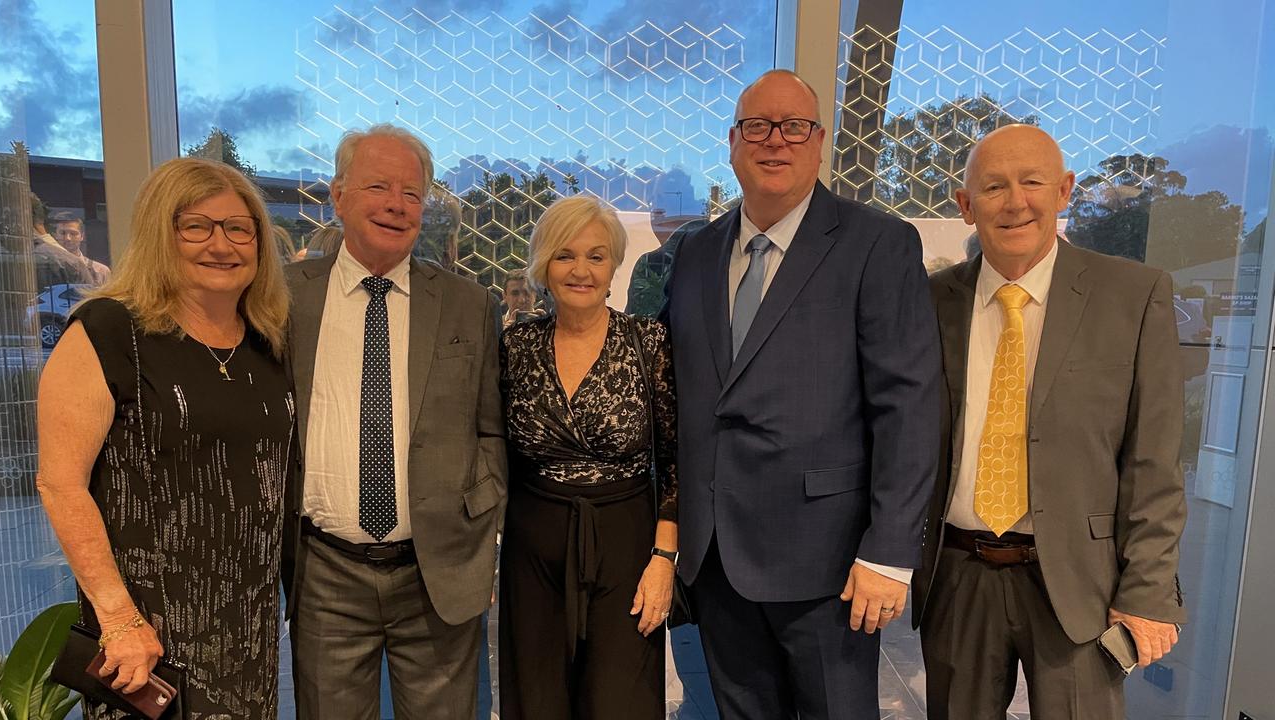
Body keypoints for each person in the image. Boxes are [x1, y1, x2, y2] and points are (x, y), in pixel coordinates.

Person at [661, 69, 941, 718]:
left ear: (820, 143)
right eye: (757, 126)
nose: (774, 141)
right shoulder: (696, 254)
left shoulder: (878, 244)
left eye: (794, 126)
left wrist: (890, 549)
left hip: (830, 563)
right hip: (718, 559)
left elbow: (910, 405)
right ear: (732, 144)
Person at [913, 124, 1186, 719]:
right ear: (965, 206)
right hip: (958, 575)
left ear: (1063, 191)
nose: (1015, 202)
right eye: (993, 187)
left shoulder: (1134, 296)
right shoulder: (927, 302)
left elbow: (1154, 462)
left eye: (1032, 182)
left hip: (1081, 585)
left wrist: (1148, 591)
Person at [35, 157, 294, 717]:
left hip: (246, 628)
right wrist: (118, 617)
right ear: (160, 234)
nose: (220, 245)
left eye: (238, 228)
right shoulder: (107, 331)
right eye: (196, 226)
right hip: (146, 635)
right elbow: (60, 484)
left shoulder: (267, 343)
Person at [281, 123, 507, 719]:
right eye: (377, 185)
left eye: (412, 192)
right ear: (337, 196)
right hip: (325, 571)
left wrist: (480, 539)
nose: (396, 205)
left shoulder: (469, 303)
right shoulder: (283, 296)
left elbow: (492, 430)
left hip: (436, 573)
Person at [499, 194, 678, 719]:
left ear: (614, 264)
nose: (581, 270)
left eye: (596, 256)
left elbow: (673, 459)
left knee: (618, 700)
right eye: (565, 255)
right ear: (543, 265)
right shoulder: (516, 346)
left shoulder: (648, 342)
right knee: (537, 697)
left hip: (626, 542)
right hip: (534, 545)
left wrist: (664, 561)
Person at [50, 209, 111, 283]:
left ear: (82, 236)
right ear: (55, 235)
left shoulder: (101, 272)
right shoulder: (47, 270)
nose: (68, 238)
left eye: (73, 233)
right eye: (62, 233)